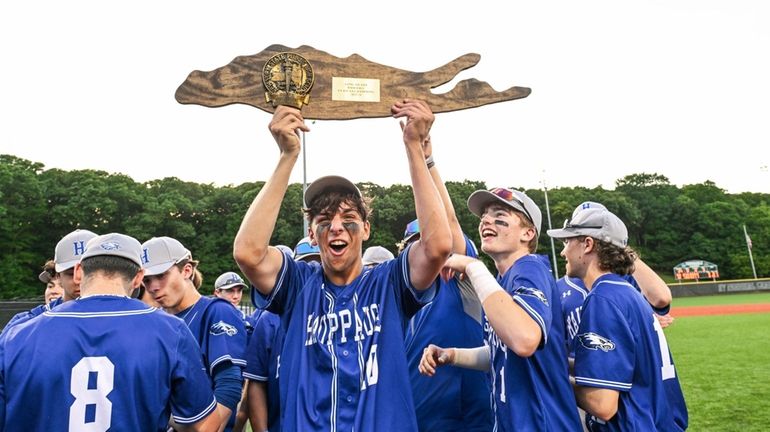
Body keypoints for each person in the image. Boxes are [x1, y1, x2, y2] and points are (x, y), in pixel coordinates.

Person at [233, 99, 451, 431]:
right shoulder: (297, 284)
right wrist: (287, 157)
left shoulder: (389, 283)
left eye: (349, 218)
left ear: (366, 229)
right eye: (324, 220)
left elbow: (437, 246)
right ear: (312, 233)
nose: (336, 226)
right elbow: (248, 252)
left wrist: (414, 149)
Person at [0, 233, 221, 431]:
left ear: (79, 272)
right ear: (138, 278)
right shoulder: (171, 331)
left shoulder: (16, 335)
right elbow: (205, 425)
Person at [420, 187, 582, 431]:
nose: (486, 220)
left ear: (528, 233)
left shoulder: (529, 268)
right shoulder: (502, 282)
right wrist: (453, 354)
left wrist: (474, 267)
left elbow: (524, 339)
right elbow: (501, 352)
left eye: (500, 218)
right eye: (485, 216)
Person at [547, 207, 688, 431]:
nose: (564, 252)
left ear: (588, 244)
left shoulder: (603, 298)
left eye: (568, 242)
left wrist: (550, 376)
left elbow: (603, 404)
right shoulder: (626, 291)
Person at [142, 236, 247, 432]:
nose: (154, 286)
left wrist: (208, 429)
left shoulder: (216, 311)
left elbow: (229, 385)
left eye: (162, 275)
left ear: (187, 270)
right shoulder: (157, 321)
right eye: (147, 280)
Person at [1, 229, 97, 334]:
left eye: (88, 273)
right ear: (57, 274)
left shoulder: (116, 317)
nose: (80, 280)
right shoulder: (23, 325)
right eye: (71, 273)